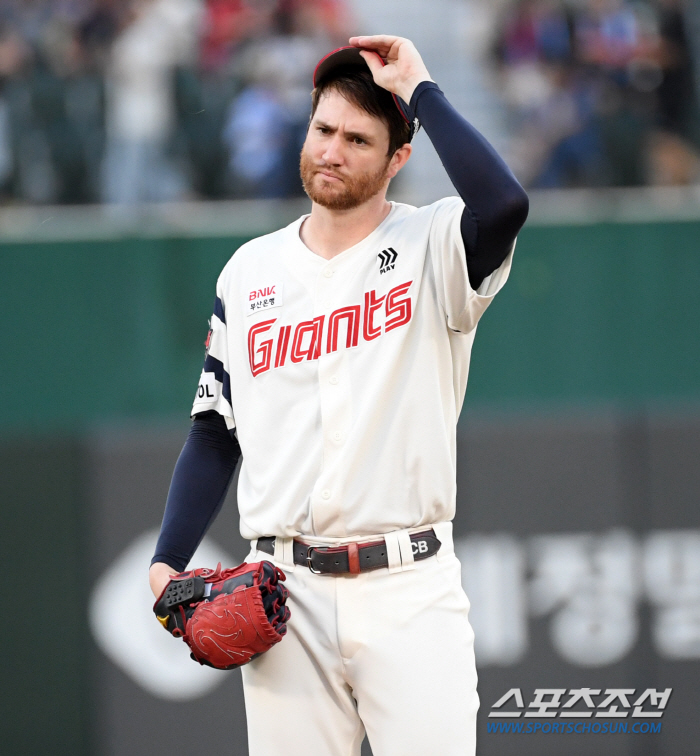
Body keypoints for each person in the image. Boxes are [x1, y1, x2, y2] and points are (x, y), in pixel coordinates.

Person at [149, 34, 528, 756]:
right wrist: (168, 555)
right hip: (284, 593)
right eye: (323, 129)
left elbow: (505, 202)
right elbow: (214, 432)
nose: (332, 150)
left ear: (398, 159)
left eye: (359, 139)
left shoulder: (434, 245)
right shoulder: (249, 271)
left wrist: (419, 85)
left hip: (409, 588)